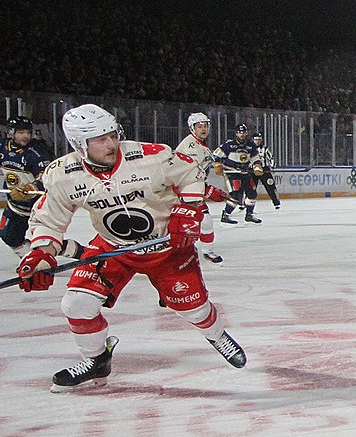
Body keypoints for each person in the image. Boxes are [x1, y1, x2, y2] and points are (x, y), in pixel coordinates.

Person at [16, 104, 246, 391]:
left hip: (167, 248)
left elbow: (190, 174)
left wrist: (188, 210)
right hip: (114, 249)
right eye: (100, 139)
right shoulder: (63, 174)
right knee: (76, 304)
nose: (111, 143)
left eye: (112, 135)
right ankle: (96, 362)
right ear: (79, 144)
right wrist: (40, 253)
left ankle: (217, 335)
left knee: (195, 310)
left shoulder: (151, 156)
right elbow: (49, 219)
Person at [2, 116, 61, 259]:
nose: (25, 136)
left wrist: (32, 187)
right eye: (21, 132)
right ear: (11, 132)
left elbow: (48, 176)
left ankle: (87, 254)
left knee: (46, 242)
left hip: (39, 206)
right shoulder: (2, 147)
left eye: (28, 132)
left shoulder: (36, 151)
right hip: (16, 204)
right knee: (9, 236)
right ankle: (32, 260)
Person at [176, 113, 225, 263]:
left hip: (192, 190)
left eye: (205, 126)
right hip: (185, 190)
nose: (203, 129)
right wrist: (209, 191)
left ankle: (206, 250)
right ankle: (179, 253)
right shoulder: (190, 145)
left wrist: (216, 163)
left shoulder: (199, 144)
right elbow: (190, 173)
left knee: (204, 221)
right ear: (192, 128)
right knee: (190, 223)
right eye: (199, 126)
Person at [215, 123, 262, 224]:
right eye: (240, 133)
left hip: (245, 172)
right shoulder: (228, 144)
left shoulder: (251, 145)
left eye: (244, 132)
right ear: (236, 133)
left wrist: (257, 166)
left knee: (252, 193)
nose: (242, 135)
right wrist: (217, 165)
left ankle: (249, 215)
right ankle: (226, 215)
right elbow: (217, 156)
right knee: (236, 195)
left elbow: (255, 159)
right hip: (232, 172)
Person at [250, 131, 282, 209]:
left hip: (264, 170)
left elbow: (271, 158)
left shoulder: (265, 149)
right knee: (250, 187)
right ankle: (246, 203)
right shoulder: (249, 149)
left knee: (270, 185)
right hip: (252, 170)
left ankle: (276, 202)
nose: (257, 141)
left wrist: (272, 167)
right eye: (256, 139)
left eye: (259, 139)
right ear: (253, 140)